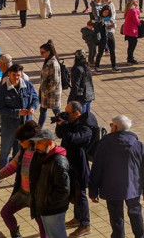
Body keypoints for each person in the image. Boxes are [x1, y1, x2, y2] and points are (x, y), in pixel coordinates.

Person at [90, 115, 144, 238]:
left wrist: (93, 191)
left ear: (115, 127)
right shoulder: (138, 145)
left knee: (116, 218)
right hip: (133, 187)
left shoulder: (104, 145)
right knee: (136, 215)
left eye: (111, 125)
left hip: (111, 187)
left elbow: (96, 169)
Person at [0, 122, 46, 238]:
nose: (19, 143)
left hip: (37, 196)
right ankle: (16, 234)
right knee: (6, 213)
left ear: (30, 140)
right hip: (22, 192)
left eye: (21, 141)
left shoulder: (41, 153)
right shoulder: (23, 150)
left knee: (42, 224)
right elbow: (12, 166)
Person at [55, 101, 96, 238]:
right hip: (69, 164)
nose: (66, 115)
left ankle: (85, 224)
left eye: (68, 113)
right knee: (74, 193)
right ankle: (77, 218)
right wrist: (59, 124)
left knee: (81, 195)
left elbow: (73, 139)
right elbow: (61, 135)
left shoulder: (86, 128)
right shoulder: (71, 123)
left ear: (76, 113)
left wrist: (65, 126)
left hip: (79, 166)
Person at [28, 128, 71, 238]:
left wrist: (47, 201)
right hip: (45, 207)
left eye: (39, 143)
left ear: (50, 142)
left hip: (53, 209)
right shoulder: (41, 155)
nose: (36, 146)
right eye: (36, 143)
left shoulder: (58, 162)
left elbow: (63, 190)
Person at [0, 63, 39, 168]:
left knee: (20, 150)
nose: (16, 77)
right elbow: (0, 109)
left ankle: (17, 171)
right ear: (9, 74)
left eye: (18, 75)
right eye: (14, 75)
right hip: (9, 126)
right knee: (5, 150)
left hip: (25, 125)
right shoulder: (2, 90)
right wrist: (17, 112)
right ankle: (1, 173)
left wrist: (32, 107)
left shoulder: (28, 85)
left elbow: (35, 99)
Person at [38, 41, 63, 121]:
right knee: (42, 111)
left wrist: (46, 90)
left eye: (42, 52)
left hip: (52, 93)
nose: (41, 54)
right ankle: (39, 129)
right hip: (46, 92)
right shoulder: (48, 60)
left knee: (57, 113)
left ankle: (62, 128)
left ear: (48, 52)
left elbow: (54, 81)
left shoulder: (53, 63)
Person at [94, 7, 119, 72]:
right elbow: (96, 28)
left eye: (108, 12)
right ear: (102, 12)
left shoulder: (110, 18)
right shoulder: (98, 18)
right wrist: (101, 24)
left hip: (110, 34)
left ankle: (114, 66)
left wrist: (112, 23)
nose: (106, 13)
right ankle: (97, 67)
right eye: (105, 12)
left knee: (112, 51)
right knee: (100, 52)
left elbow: (113, 26)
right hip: (102, 36)